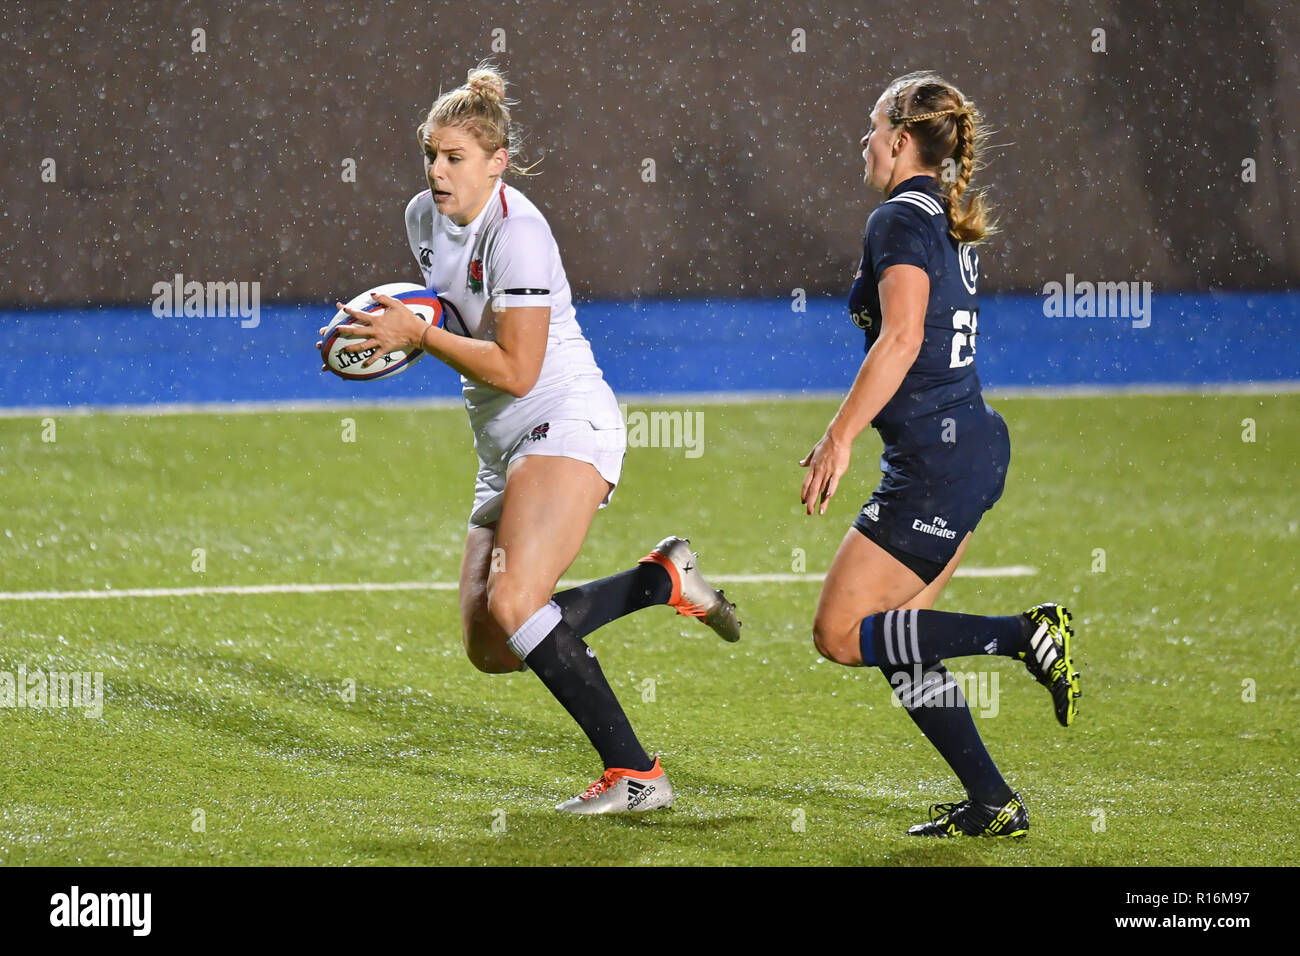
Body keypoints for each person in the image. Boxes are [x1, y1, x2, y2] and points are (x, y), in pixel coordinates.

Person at [319, 65, 741, 814]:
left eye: (454, 157)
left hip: (564, 419)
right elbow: (449, 314)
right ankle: (660, 580)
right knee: (490, 645)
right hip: (500, 445)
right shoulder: (422, 216)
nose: (438, 171)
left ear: (497, 161)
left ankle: (636, 775)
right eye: (430, 154)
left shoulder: (521, 234)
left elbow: (517, 368)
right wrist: (379, 331)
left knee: (517, 602)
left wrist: (414, 333)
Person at [799, 71, 1080, 837]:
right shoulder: (939, 213)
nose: (861, 142)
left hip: (938, 466)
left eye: (870, 126)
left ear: (898, 137)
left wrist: (838, 436)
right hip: (961, 453)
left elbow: (902, 337)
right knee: (901, 641)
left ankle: (1023, 634)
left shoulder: (897, 216)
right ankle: (993, 803)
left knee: (841, 633)